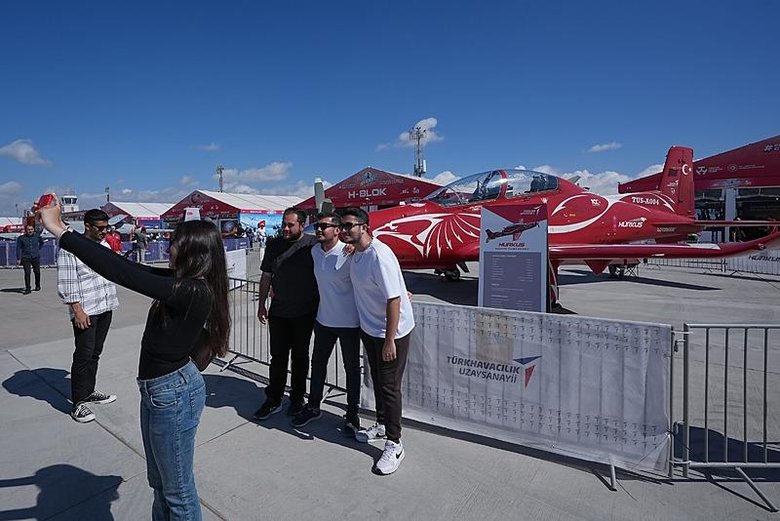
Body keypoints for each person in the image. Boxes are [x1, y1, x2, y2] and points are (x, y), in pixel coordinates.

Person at [40, 195, 230, 521]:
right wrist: (68, 235)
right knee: (160, 484)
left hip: (173, 394)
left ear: (193, 252)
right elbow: (124, 265)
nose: (168, 247)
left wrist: (59, 230)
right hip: (160, 393)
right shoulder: (180, 282)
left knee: (178, 492)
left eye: (174, 243)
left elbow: (119, 273)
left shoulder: (192, 290)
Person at [339, 207, 415, 475]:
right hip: (370, 331)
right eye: (342, 226)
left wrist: (390, 340)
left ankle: (395, 443)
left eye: (349, 225)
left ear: (364, 227)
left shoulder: (379, 255)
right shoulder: (356, 254)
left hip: (390, 333)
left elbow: (393, 299)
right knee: (380, 383)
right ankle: (382, 424)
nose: (344, 230)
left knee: (390, 387)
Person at [291, 212, 362, 436]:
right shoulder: (314, 251)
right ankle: (313, 407)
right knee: (318, 365)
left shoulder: (350, 252)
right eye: (317, 226)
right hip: (324, 321)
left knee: (351, 370)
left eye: (324, 226)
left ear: (338, 230)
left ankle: (352, 415)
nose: (319, 230)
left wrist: (403, 291)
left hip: (349, 323)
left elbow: (372, 252)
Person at [254, 208, 319, 420]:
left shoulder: (313, 244)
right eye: (284, 224)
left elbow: (340, 248)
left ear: (302, 225)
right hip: (279, 313)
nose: (286, 228)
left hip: (304, 314)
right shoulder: (274, 245)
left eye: (290, 225)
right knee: (278, 358)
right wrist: (261, 303)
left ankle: (297, 399)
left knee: (300, 359)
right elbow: (266, 277)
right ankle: (274, 398)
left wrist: (349, 249)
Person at [57, 209, 120, 424]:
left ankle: (89, 391)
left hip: (105, 306)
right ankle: (77, 402)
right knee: (84, 354)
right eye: (100, 228)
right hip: (86, 310)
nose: (105, 232)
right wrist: (77, 310)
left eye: (106, 228)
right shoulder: (70, 248)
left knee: (96, 352)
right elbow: (67, 281)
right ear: (87, 226)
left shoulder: (105, 245)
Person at [16, 224, 44, 294]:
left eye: (31, 229)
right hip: (26, 257)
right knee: (27, 273)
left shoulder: (37, 236)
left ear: (33, 230)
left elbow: (42, 243)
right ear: (26, 230)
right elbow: (18, 248)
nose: (30, 231)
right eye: (28, 230)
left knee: (37, 272)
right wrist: (18, 258)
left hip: (35, 257)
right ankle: (28, 288)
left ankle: (37, 285)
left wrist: (38, 249)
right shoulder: (21, 238)